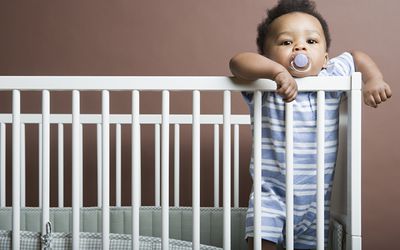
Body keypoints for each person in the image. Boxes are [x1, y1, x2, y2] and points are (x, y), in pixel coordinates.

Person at [229, 0, 392, 249]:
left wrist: (374, 79)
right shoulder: (266, 86)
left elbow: (357, 57)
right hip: (271, 196)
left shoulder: (331, 77)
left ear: (326, 58)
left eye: (312, 41)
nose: (300, 46)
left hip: (317, 202)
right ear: (267, 57)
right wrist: (276, 73)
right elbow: (237, 62)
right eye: (286, 42)